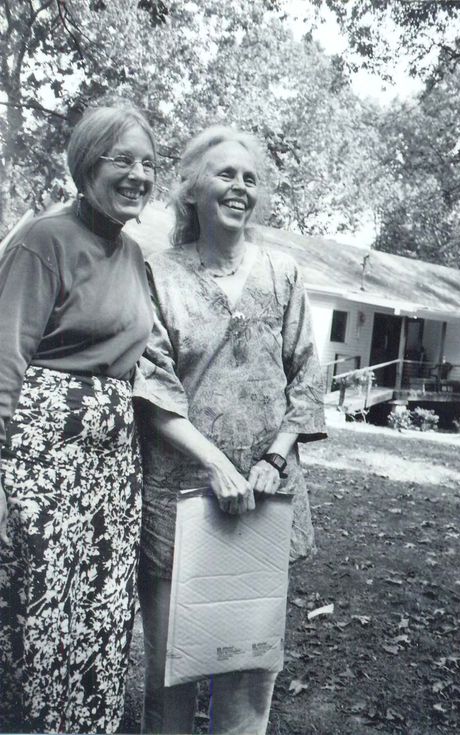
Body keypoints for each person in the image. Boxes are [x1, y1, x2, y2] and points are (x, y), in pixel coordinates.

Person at [134, 125, 327, 734]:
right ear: (191, 189)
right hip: (179, 501)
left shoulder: (282, 272)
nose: (240, 187)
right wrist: (216, 464)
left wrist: (274, 458)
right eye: (225, 174)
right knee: (172, 678)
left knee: (247, 681)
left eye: (250, 177)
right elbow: (151, 383)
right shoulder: (154, 274)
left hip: (264, 501)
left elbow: (307, 376)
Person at [0, 104, 156, 734]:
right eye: (123, 159)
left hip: (112, 466)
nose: (139, 175)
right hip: (43, 456)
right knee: (39, 626)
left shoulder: (135, 253)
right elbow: (5, 358)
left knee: (101, 619)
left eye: (148, 162)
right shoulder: (44, 239)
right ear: (87, 163)